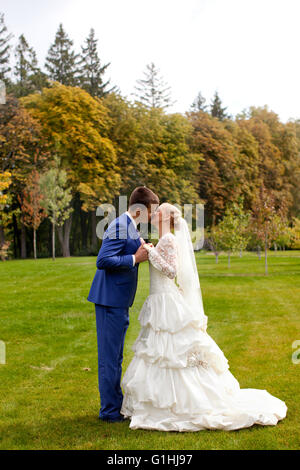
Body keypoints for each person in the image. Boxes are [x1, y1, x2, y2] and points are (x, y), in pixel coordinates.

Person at [120, 202, 287, 431]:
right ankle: (162, 404)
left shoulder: (168, 240)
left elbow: (171, 271)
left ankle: (183, 404)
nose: (155, 212)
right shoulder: (162, 240)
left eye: (160, 211)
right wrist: (148, 247)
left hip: (165, 303)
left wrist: (150, 252)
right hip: (161, 301)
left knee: (172, 354)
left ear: (167, 218)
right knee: (159, 354)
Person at [87, 186, 159, 422]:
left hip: (118, 301)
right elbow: (103, 260)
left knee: (115, 357)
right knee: (109, 358)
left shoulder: (130, 227)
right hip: (109, 301)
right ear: (141, 209)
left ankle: (114, 406)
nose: (152, 217)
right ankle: (109, 411)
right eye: (151, 212)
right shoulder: (120, 225)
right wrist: (135, 258)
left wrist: (141, 249)